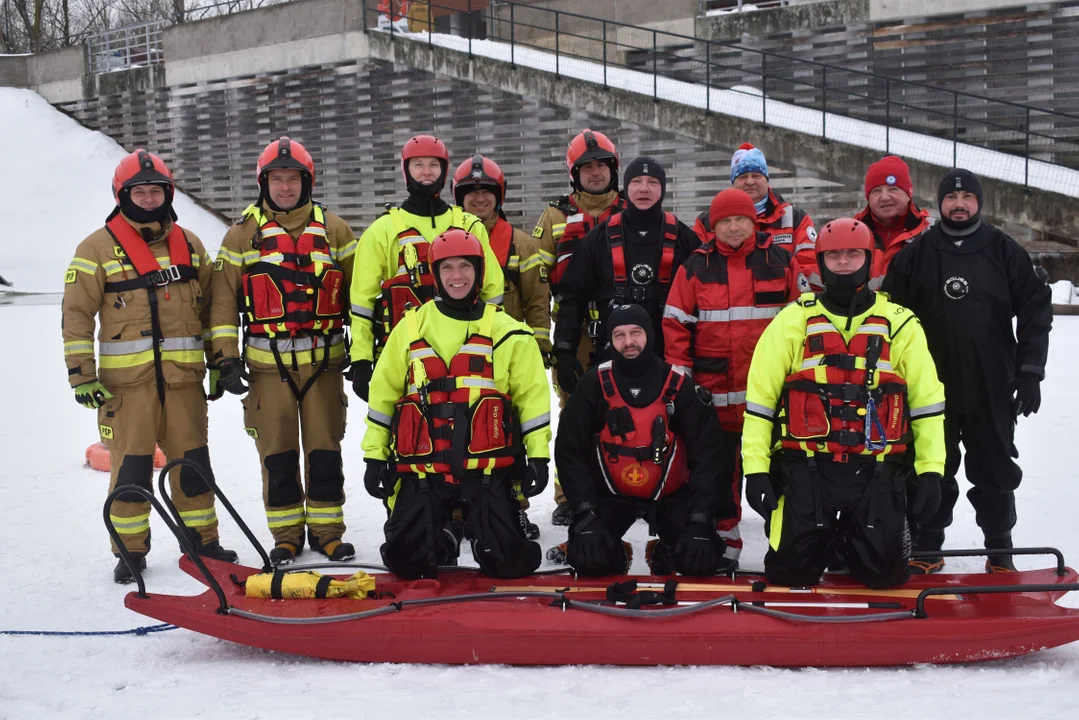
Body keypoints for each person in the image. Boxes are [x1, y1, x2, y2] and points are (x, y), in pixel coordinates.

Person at [62, 149, 238, 583]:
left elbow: (213, 308)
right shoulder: (95, 248)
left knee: (194, 467)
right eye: (138, 192)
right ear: (122, 195)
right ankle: (130, 551)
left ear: (168, 193)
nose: (147, 198)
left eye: (155, 191)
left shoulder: (190, 245)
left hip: (184, 383)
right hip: (127, 389)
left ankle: (203, 542)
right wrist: (81, 374)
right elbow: (77, 314)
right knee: (132, 469)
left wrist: (219, 360)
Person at [741, 217, 946, 589]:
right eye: (834, 255)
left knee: (886, 576)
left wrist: (931, 472)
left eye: (854, 254)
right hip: (807, 467)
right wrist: (755, 470)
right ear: (821, 263)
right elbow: (760, 405)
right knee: (789, 574)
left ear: (869, 260)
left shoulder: (901, 324)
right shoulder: (791, 322)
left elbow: (927, 406)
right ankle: (823, 542)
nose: (844, 262)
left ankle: (856, 542)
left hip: (878, 468)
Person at [882, 169, 1052, 573]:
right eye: (951, 198)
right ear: (940, 203)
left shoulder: (1003, 250)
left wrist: (1030, 372)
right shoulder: (917, 254)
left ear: (979, 202)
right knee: (931, 466)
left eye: (967, 198)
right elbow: (889, 316)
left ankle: (1000, 549)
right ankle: (927, 545)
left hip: (991, 384)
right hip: (929, 388)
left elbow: (1035, 309)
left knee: (994, 468)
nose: (959, 204)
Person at [361, 229, 551, 580]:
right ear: (436, 273)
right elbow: (382, 396)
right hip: (423, 472)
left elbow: (532, 399)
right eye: (447, 267)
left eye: (466, 266)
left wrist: (538, 457)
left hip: (486, 472)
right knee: (405, 563)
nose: (457, 275)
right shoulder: (410, 328)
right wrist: (375, 456)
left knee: (510, 564)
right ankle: (447, 537)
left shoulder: (509, 332)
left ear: (480, 271)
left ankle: (484, 536)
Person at [210, 137, 357, 565]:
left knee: (325, 453)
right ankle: (286, 536)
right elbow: (222, 302)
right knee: (277, 456)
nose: (286, 187)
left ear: (307, 182)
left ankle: (328, 534)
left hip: (324, 366)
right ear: (264, 183)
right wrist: (225, 357)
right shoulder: (241, 235)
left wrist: (366, 353)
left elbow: (361, 296)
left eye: (294, 179)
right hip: (267, 369)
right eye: (278, 179)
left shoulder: (336, 230)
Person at [663, 187, 803, 569]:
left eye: (741, 219)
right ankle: (725, 548)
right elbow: (675, 327)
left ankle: (791, 546)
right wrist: (683, 388)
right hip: (714, 399)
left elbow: (802, 323)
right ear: (713, 226)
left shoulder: (782, 262)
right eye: (725, 221)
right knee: (718, 479)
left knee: (783, 476)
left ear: (754, 221)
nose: (734, 227)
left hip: (772, 402)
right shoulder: (694, 267)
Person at [555, 304, 731, 576]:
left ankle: (664, 553)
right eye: (619, 335)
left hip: (671, 495)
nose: (629, 342)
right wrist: (585, 513)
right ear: (610, 340)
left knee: (699, 560)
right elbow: (570, 451)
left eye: (636, 332)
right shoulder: (593, 384)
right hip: (610, 496)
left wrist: (700, 520)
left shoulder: (680, 386)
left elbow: (708, 454)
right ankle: (616, 555)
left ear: (650, 334)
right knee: (589, 558)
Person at [348, 135, 503, 401]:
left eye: (434, 164)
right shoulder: (382, 231)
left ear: (444, 170)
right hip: (403, 355)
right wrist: (361, 358)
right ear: (406, 170)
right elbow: (362, 300)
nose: (426, 172)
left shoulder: (470, 225)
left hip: (466, 354)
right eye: (418, 164)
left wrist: (496, 344)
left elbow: (493, 292)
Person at [452, 153, 550, 540]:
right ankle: (457, 510)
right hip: (456, 357)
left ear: (500, 195)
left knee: (509, 435)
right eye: (471, 191)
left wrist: (539, 344)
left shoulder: (522, 244)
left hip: (506, 358)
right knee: (456, 433)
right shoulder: (446, 238)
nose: (479, 198)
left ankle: (513, 508)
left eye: (487, 191)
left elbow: (537, 300)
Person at [533, 128, 626, 525]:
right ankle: (569, 494)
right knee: (573, 413)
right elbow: (537, 280)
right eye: (586, 167)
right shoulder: (555, 216)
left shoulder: (631, 209)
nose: (595, 172)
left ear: (613, 169)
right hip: (575, 332)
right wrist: (547, 338)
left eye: (601, 165)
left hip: (625, 331)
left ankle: (626, 487)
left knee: (626, 408)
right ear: (574, 174)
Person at [553, 156, 699, 392]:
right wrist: (565, 351)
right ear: (625, 187)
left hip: (668, 361)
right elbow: (571, 297)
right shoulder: (599, 238)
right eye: (636, 181)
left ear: (663, 188)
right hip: (610, 357)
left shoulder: (684, 238)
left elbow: (703, 300)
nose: (644, 189)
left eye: (652, 182)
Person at [712, 143, 819, 287]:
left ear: (767, 180)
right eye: (743, 176)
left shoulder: (796, 219)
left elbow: (810, 267)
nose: (750, 182)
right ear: (733, 182)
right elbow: (697, 269)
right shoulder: (709, 221)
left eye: (756, 175)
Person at [854, 155, 932, 289]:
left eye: (893, 189)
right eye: (876, 191)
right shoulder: (851, 233)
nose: (885, 197)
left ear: (908, 195)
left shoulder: (931, 234)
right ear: (868, 198)